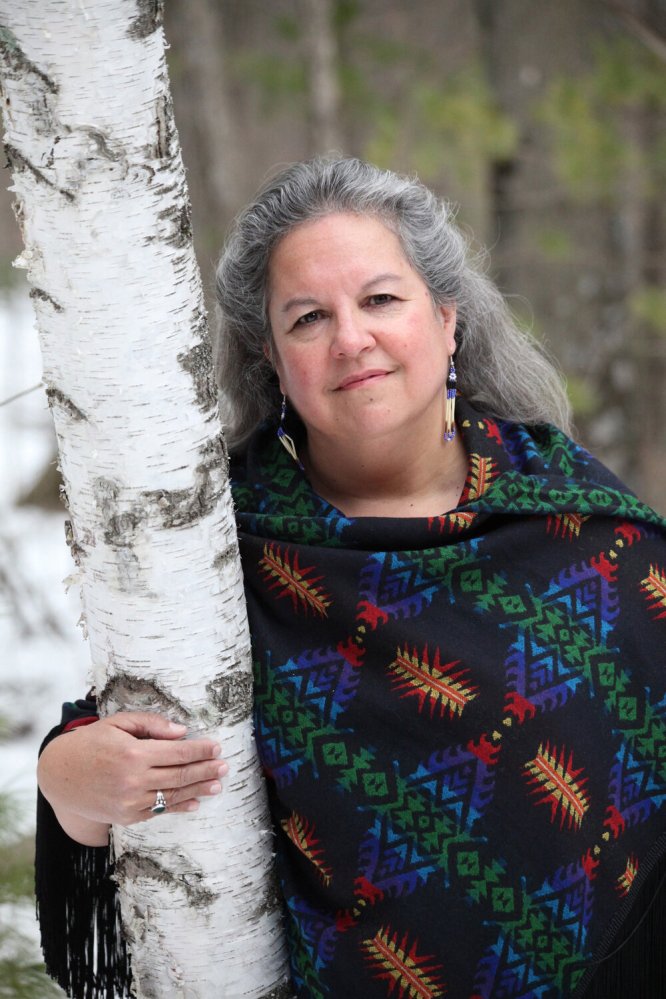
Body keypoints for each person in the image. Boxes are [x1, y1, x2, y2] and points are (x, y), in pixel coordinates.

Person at [36, 157, 665, 998]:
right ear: (271, 358)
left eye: (380, 299)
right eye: (307, 318)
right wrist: (67, 780)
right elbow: (117, 752)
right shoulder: (216, 549)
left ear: (447, 320)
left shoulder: (586, 532)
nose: (351, 338)